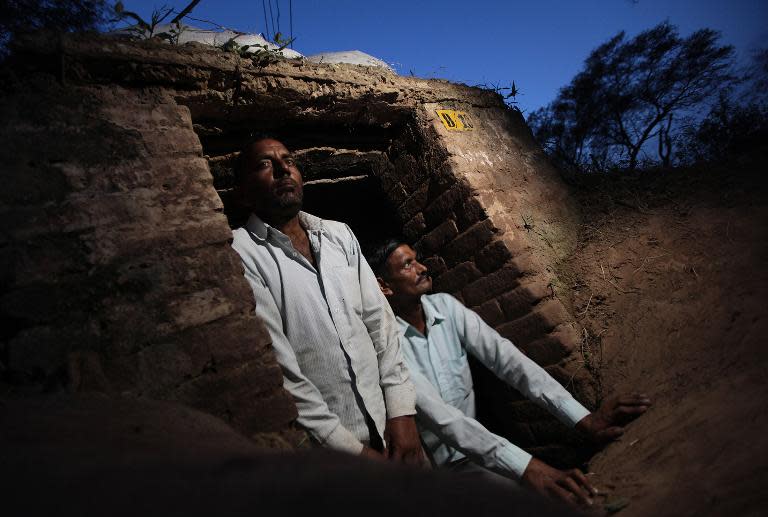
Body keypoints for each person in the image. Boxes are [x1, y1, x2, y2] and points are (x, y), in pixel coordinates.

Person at [370, 240, 652, 506]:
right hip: (431, 474)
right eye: (407, 265)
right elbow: (444, 420)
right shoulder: (387, 343)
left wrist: (583, 419)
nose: (422, 268)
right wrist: (528, 467)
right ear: (384, 286)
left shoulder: (445, 307)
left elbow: (509, 361)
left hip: (479, 457)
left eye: (417, 260)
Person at [231, 137, 423, 465]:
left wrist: (402, 411)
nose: (282, 169)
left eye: (288, 160)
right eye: (264, 164)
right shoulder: (240, 252)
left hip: (394, 432)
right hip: (334, 456)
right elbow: (279, 369)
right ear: (244, 194)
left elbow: (380, 325)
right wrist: (351, 451)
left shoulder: (338, 235)